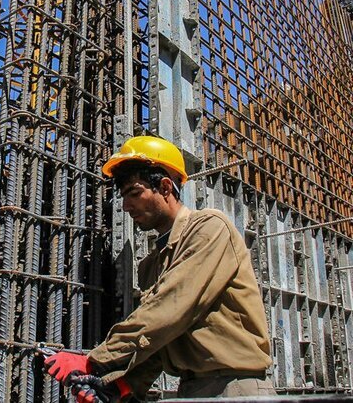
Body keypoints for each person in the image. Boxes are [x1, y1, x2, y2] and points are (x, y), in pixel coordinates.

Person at [45, 136, 275, 401]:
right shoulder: (151, 265)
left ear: (165, 187)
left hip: (235, 387)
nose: (127, 205)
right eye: (124, 196)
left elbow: (171, 307)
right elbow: (162, 339)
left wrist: (94, 361)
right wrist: (119, 386)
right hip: (192, 389)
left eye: (135, 192)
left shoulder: (210, 228)